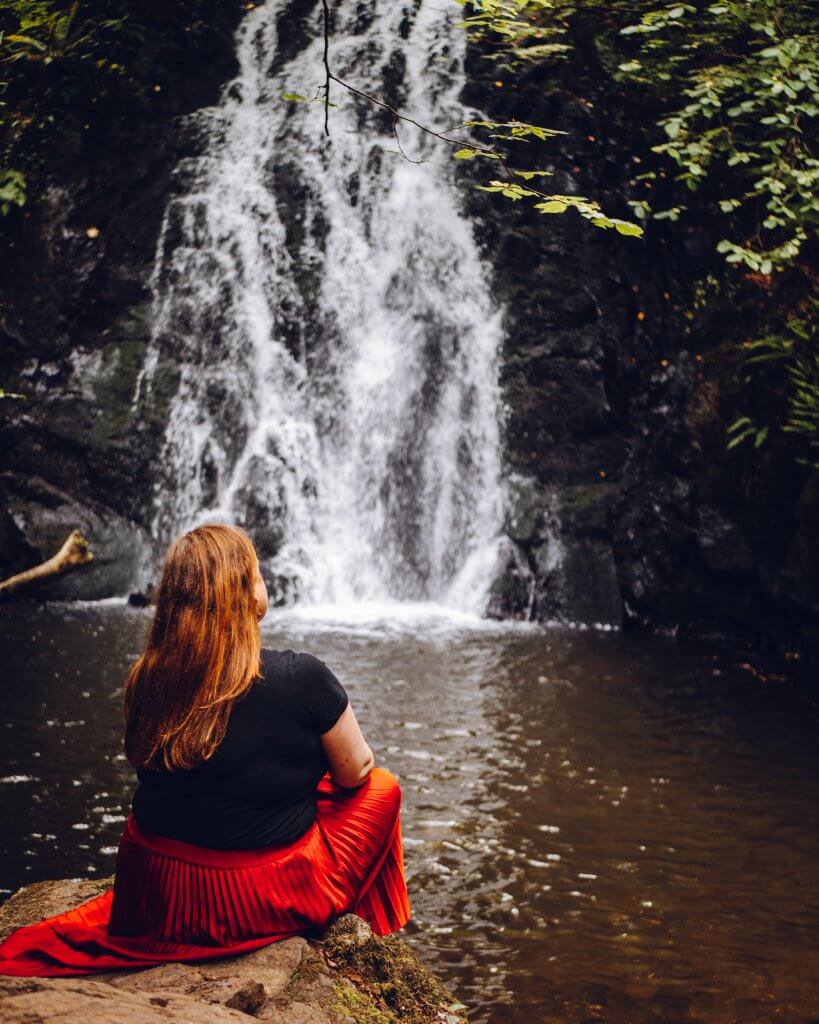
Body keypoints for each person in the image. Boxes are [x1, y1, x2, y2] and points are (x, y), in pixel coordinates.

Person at [0, 524, 410, 976]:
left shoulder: (147, 675)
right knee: (383, 788)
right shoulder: (303, 676)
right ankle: (361, 942)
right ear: (245, 594)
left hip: (156, 887)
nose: (263, 582)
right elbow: (357, 773)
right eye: (257, 573)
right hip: (250, 897)